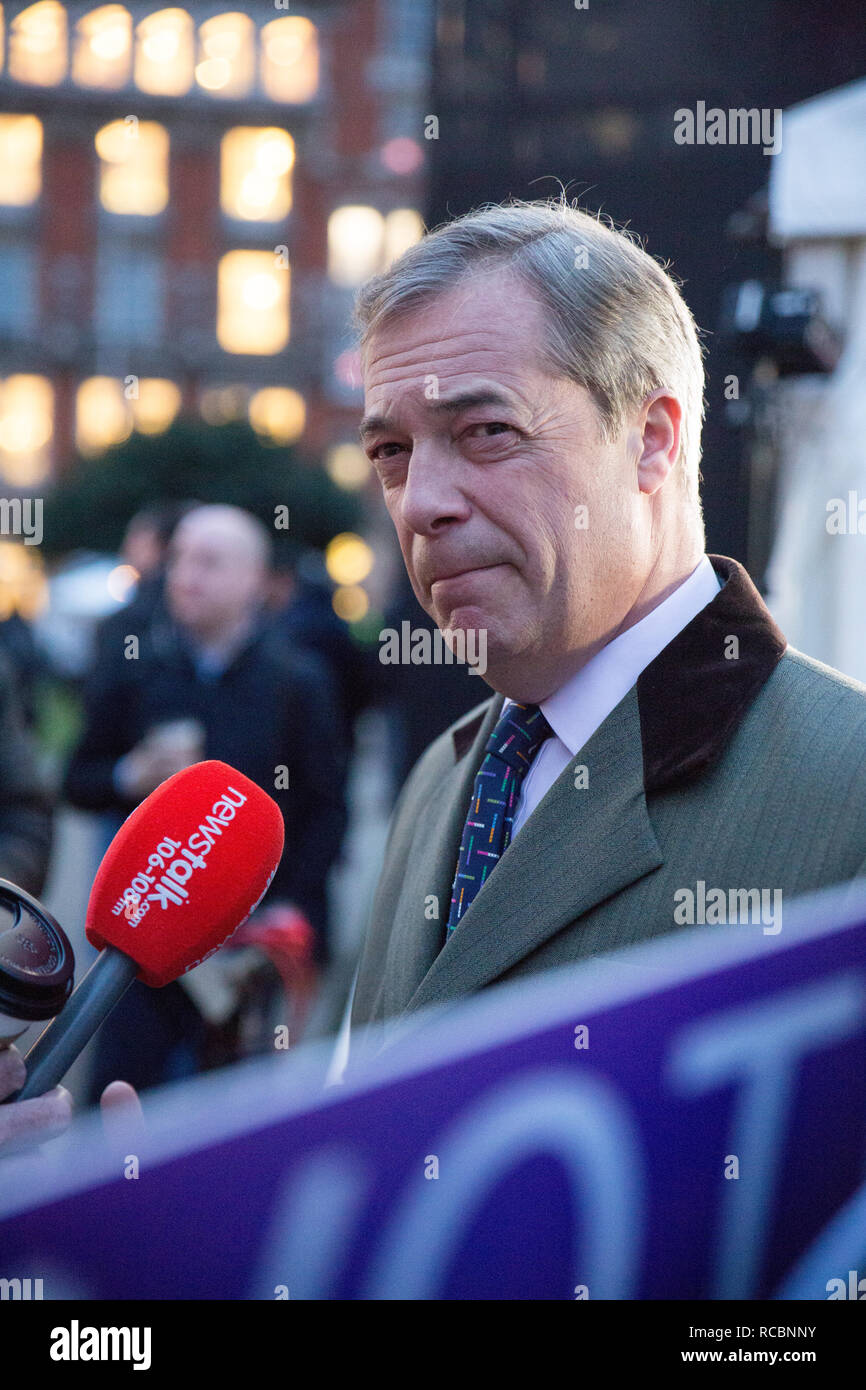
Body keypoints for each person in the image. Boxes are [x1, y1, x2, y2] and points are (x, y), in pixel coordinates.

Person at [346, 198, 866, 1054]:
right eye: (391, 453)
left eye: (485, 431)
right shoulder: (437, 787)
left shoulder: (844, 791)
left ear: (652, 440)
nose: (423, 503)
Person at [63, 504, 348, 1096]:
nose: (184, 575)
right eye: (179, 558)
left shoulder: (299, 680)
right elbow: (75, 780)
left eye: (209, 562)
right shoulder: (136, 666)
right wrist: (126, 775)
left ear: (254, 580)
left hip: (247, 953)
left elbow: (326, 810)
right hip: (140, 949)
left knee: (228, 1118)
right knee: (120, 1102)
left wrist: (292, 909)